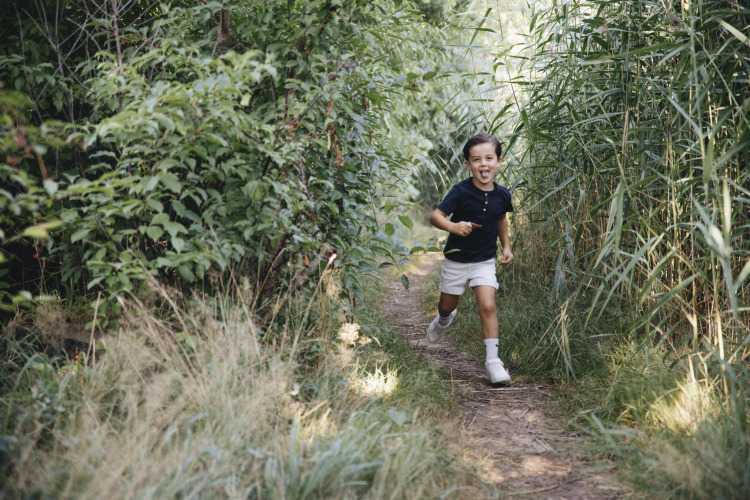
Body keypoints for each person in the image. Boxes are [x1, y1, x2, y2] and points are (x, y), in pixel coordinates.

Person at [426, 133, 514, 384]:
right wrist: (453, 227)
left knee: (487, 305)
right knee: (447, 306)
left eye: (489, 158)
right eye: (476, 159)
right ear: (468, 164)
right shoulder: (461, 191)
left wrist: (506, 247)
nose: (483, 164)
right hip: (457, 260)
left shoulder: (503, 195)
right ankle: (444, 319)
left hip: (484, 261)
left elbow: (501, 220)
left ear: (498, 161)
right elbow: (436, 216)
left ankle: (493, 362)